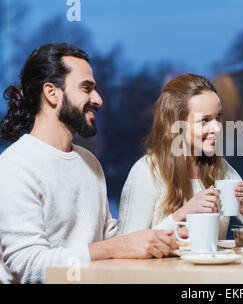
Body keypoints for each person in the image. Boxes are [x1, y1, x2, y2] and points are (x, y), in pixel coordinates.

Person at [0, 43, 177, 284]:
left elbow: (113, 243)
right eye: (86, 88)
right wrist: (115, 247)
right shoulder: (15, 166)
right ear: (52, 93)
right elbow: (30, 267)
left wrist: (167, 234)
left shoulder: (88, 162)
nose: (98, 99)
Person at [118, 73, 243, 239]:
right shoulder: (146, 171)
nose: (217, 128)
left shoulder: (220, 168)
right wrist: (183, 213)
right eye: (205, 120)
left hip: (214, 265)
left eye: (218, 117)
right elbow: (126, 245)